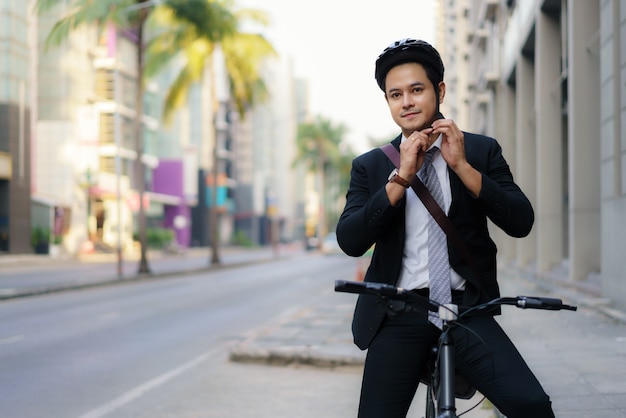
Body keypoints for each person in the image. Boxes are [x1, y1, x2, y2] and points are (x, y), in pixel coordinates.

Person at [336, 38, 554, 418]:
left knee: (531, 405)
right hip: (399, 312)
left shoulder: (481, 150)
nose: (406, 102)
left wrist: (463, 168)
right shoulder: (371, 166)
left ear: (439, 91)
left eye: (416, 90)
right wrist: (400, 177)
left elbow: (521, 222)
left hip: (465, 310)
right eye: (395, 94)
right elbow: (351, 240)